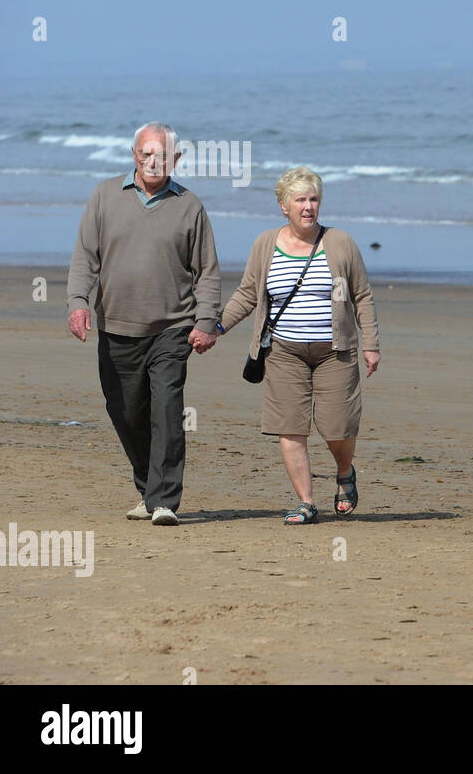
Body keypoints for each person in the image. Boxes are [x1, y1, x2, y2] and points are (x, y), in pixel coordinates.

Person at [67, 122, 221, 527]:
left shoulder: (190, 206)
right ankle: (148, 490)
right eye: (147, 154)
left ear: (177, 159)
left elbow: (206, 271)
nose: (154, 162)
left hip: (173, 327)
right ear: (133, 155)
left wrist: (206, 320)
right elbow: (86, 256)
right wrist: (78, 302)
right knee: (125, 412)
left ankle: (165, 499)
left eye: (164, 155)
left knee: (167, 409)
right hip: (116, 326)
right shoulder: (104, 196)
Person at [219, 167, 380, 525]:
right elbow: (248, 293)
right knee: (290, 426)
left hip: (335, 350)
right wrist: (217, 326)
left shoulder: (339, 242)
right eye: (301, 200)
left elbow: (362, 295)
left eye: (314, 199)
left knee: (337, 426)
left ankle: (344, 472)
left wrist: (371, 344)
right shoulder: (265, 244)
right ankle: (306, 502)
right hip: (283, 350)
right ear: (284, 206)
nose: (309, 207)